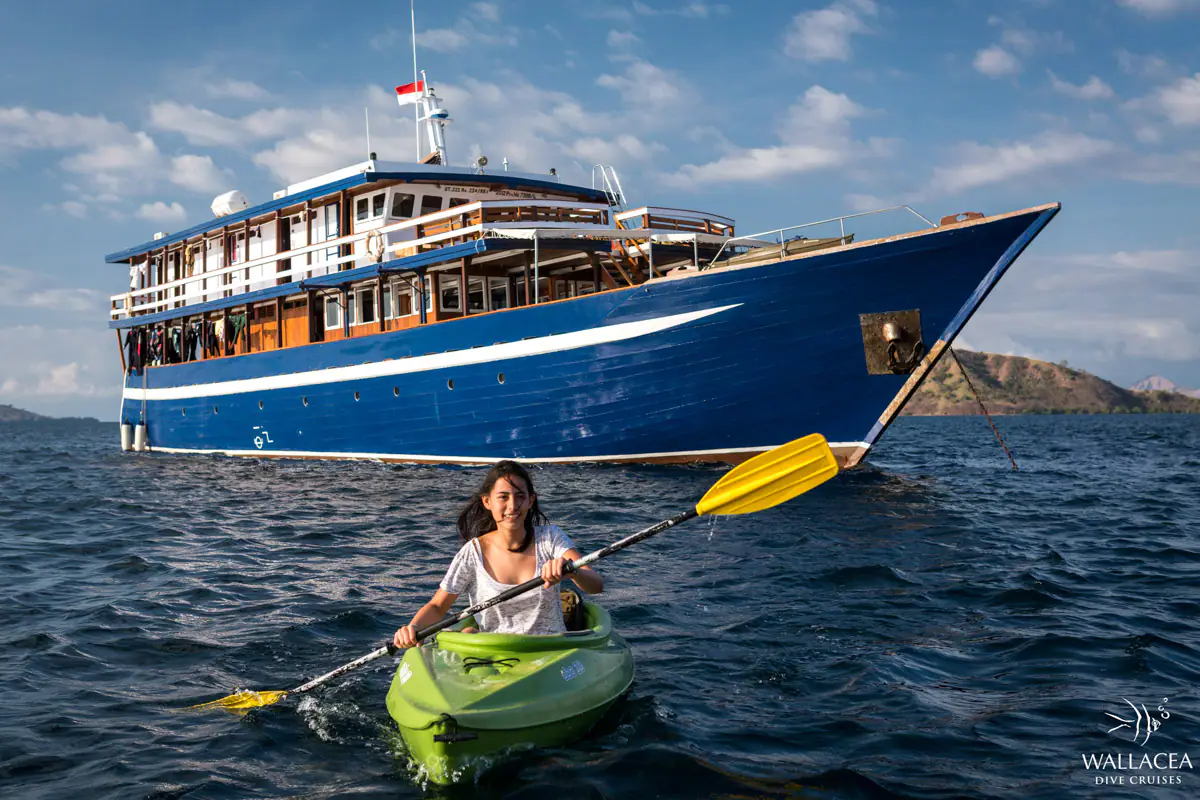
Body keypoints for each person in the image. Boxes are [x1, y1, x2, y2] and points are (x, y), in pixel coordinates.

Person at [393, 461, 604, 648]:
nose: (512, 506)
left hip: (549, 648)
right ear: (487, 502)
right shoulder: (472, 553)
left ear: (531, 501)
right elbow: (438, 606)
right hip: (495, 654)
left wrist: (573, 571)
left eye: (520, 497)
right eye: (503, 497)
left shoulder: (550, 538)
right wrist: (412, 628)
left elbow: (596, 586)